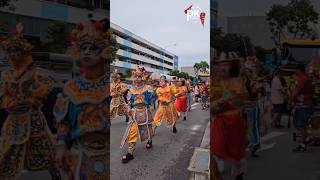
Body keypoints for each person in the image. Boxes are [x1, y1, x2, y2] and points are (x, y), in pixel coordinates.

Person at [53, 20, 116, 179]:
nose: (87, 52)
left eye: (93, 48)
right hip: (79, 153)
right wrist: (61, 145)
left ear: (104, 51)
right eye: (83, 48)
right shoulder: (71, 87)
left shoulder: (113, 86)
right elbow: (63, 123)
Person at [0, 23, 61, 179]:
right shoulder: (8, 75)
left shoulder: (35, 72)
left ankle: (57, 174)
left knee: (46, 150)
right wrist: (9, 103)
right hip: (14, 119)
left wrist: (33, 99)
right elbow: (4, 94)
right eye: (11, 51)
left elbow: (46, 86)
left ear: (24, 52)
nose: (13, 54)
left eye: (17, 51)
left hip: (33, 118)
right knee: (8, 150)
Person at [211, 59, 247, 180]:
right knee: (217, 149)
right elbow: (212, 106)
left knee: (237, 151)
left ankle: (239, 174)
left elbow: (240, 102)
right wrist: (222, 101)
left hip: (234, 120)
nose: (223, 67)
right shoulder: (214, 83)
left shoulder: (236, 82)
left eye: (226, 64)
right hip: (219, 120)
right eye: (219, 64)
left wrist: (224, 101)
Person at [120, 66, 154, 163]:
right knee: (133, 131)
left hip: (145, 111)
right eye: (136, 76)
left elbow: (152, 100)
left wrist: (151, 99)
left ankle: (150, 141)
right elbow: (129, 101)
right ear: (133, 77)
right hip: (135, 113)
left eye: (139, 76)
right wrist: (128, 109)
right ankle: (130, 152)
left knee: (148, 128)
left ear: (143, 77)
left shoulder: (147, 88)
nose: (138, 78)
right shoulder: (131, 89)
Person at [292, 65, 315, 152]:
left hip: (304, 104)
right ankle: (305, 140)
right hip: (306, 104)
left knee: (300, 125)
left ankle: (302, 144)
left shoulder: (302, 78)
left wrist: (292, 98)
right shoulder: (306, 77)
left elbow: (298, 90)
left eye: (296, 70)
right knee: (302, 125)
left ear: (299, 70)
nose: (295, 71)